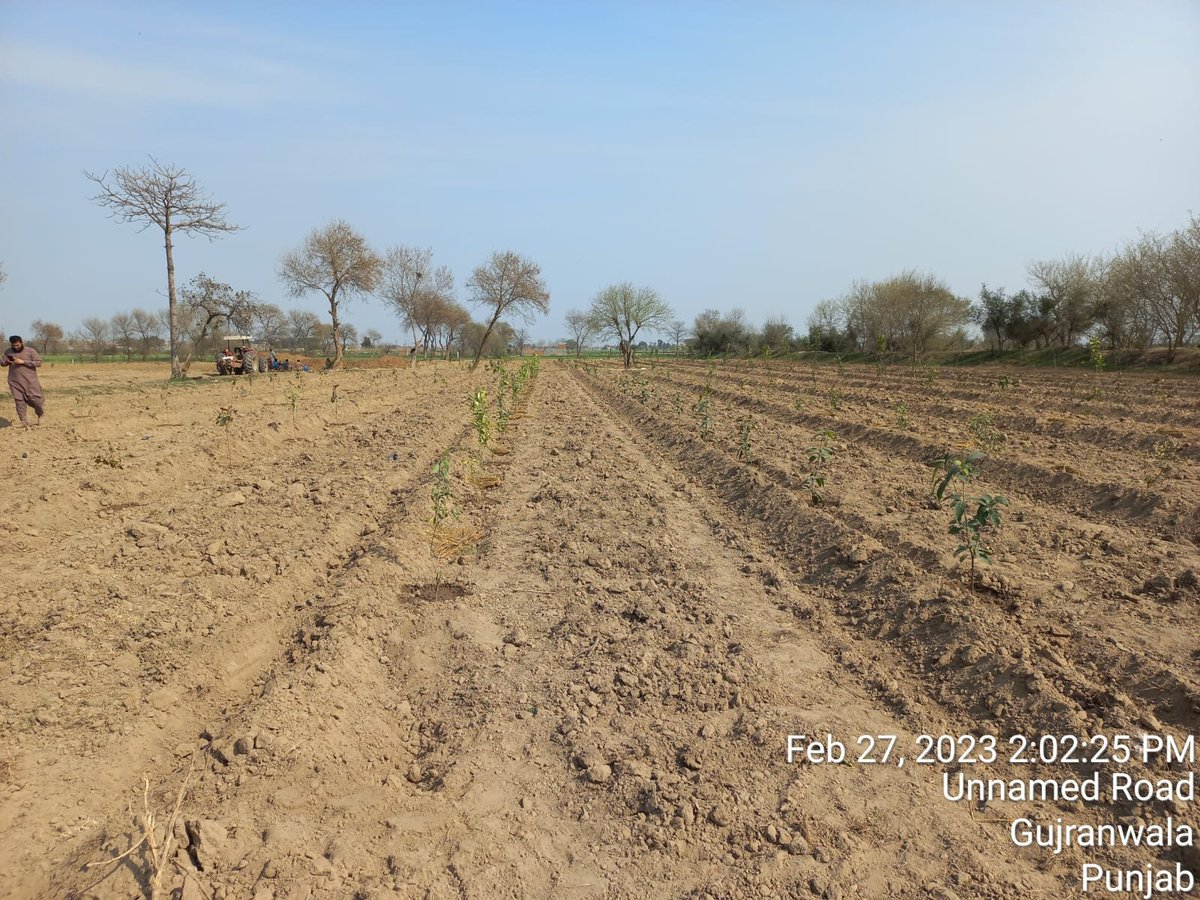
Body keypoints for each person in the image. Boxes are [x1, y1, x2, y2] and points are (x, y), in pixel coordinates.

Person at [2, 335, 45, 426]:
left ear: (21, 343)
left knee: (36, 401)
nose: (15, 347)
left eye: (17, 345)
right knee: (19, 401)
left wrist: (23, 362)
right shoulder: (8, 351)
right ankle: (23, 421)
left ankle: (40, 414)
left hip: (30, 381)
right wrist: (6, 361)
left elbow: (38, 363)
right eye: (13, 345)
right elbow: (2, 363)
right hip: (14, 381)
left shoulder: (30, 351)